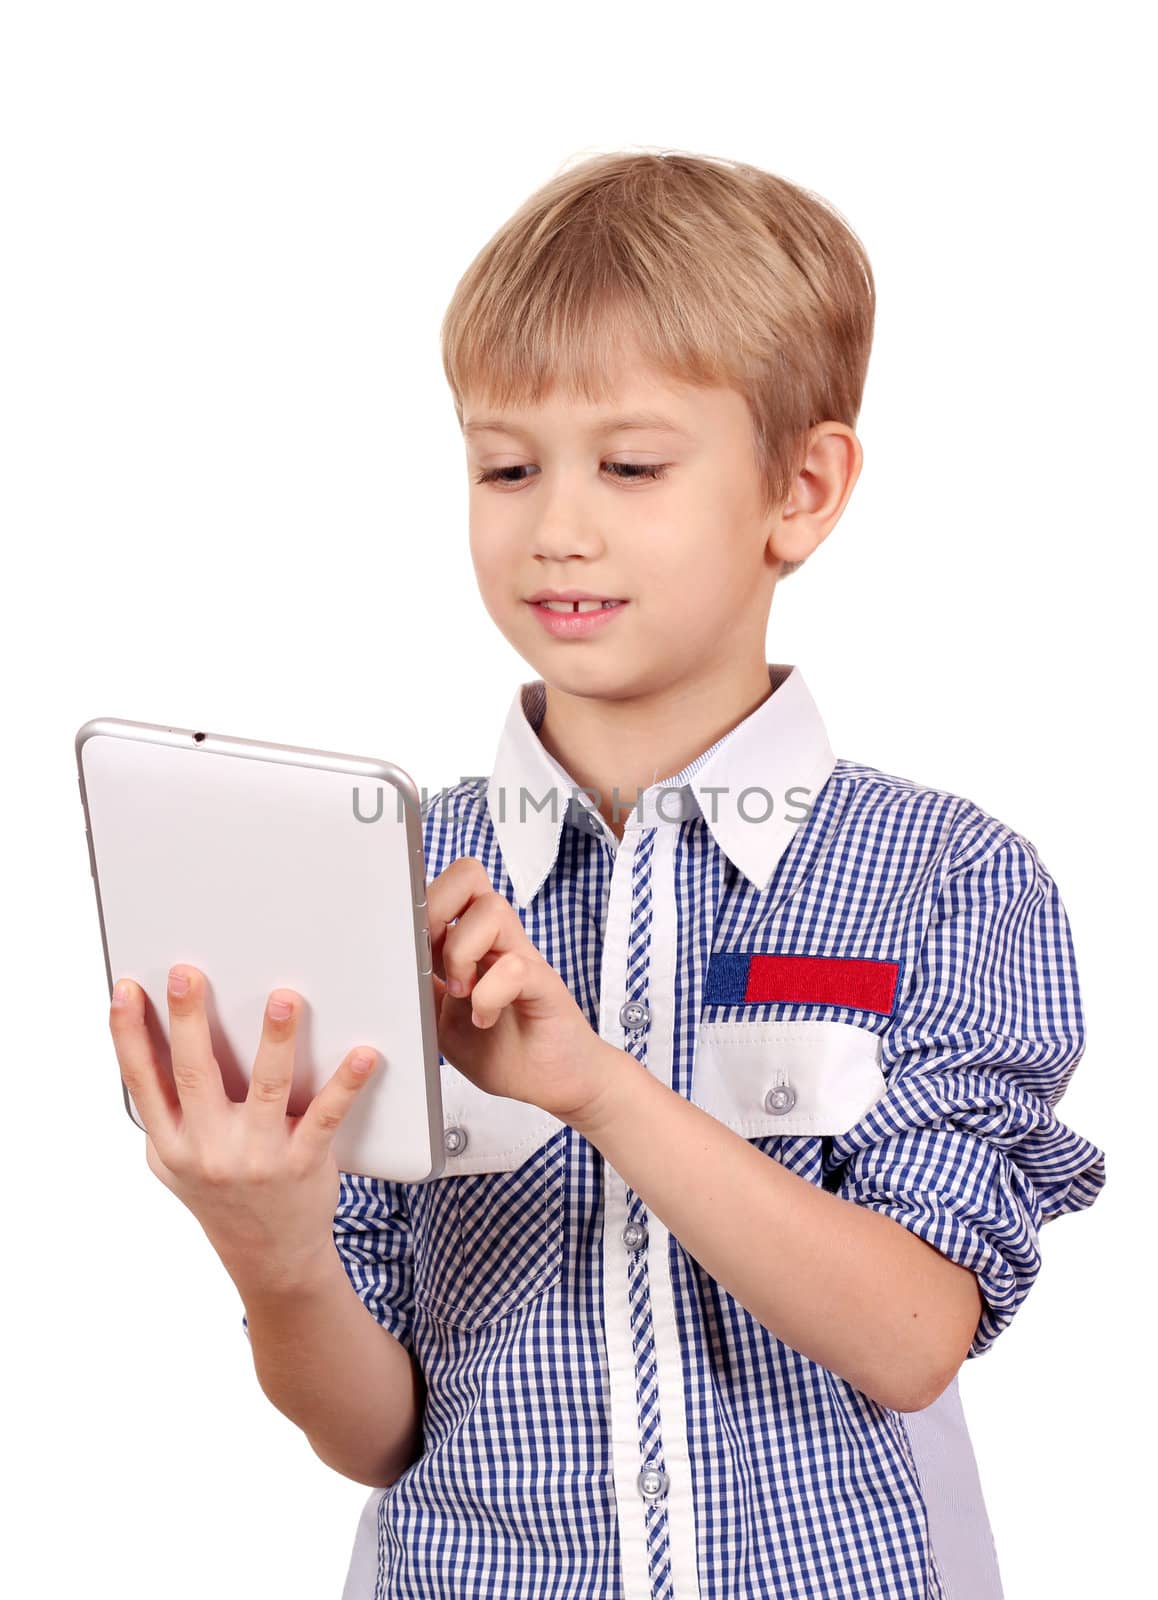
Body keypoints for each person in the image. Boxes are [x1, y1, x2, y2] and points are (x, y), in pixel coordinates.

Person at [109, 149, 1107, 1600]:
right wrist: (268, 1247)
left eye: (630, 465)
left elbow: (911, 1336)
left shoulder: (943, 877)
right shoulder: (391, 878)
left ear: (802, 488)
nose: (553, 525)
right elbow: (373, 1432)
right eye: (504, 466)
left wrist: (596, 1086)